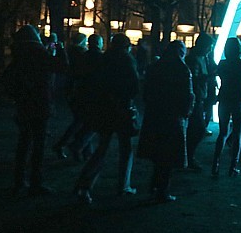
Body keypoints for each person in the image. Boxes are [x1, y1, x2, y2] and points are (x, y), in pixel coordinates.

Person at [75, 34, 139, 205]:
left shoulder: (104, 59)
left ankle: (85, 186)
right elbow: (134, 86)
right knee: (126, 148)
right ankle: (123, 185)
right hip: (122, 110)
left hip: (105, 109)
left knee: (102, 149)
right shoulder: (127, 60)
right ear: (126, 47)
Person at [5, 25, 63, 195]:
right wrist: (58, 48)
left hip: (23, 103)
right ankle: (35, 182)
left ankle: (19, 180)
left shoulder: (19, 53)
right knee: (38, 144)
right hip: (39, 102)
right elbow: (61, 66)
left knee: (24, 142)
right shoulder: (38, 52)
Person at [137, 41, 194, 202]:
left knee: (157, 154)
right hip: (173, 117)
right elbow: (188, 94)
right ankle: (162, 190)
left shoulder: (156, 66)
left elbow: (146, 91)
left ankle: (154, 185)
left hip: (155, 115)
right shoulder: (182, 69)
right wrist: (186, 112)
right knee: (168, 155)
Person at [212, 38, 241, 177]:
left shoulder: (222, 64)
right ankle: (233, 166)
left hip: (224, 98)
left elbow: (215, 76)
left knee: (223, 132)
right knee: (237, 133)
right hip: (239, 99)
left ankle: (215, 164)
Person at [52, 32, 89, 159]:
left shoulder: (70, 52)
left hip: (71, 90)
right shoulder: (81, 54)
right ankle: (65, 145)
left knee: (81, 120)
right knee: (81, 120)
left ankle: (82, 149)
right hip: (78, 90)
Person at [184, 33, 216, 170]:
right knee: (198, 129)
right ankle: (188, 157)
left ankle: (187, 157)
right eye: (209, 46)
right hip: (195, 98)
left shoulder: (203, 57)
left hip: (200, 97)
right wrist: (208, 77)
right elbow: (193, 79)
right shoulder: (194, 59)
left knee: (194, 130)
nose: (210, 49)